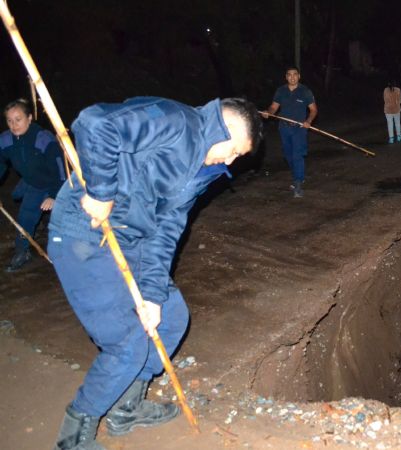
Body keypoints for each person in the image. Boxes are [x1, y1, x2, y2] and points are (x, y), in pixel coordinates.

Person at [48, 96, 262, 450]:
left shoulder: (203, 169)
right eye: (233, 150)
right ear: (221, 128)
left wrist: (151, 294)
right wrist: (101, 193)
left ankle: (125, 408)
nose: (231, 160)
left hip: (131, 242)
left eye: (238, 156)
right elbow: (94, 123)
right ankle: (73, 434)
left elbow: (167, 228)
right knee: (128, 341)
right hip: (84, 232)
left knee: (171, 316)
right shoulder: (173, 121)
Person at [0, 99, 66, 271]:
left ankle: (23, 250)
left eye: (18, 119)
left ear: (29, 118)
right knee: (15, 195)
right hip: (30, 179)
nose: (13, 125)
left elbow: (59, 170)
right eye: (9, 120)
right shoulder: (6, 139)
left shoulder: (43, 139)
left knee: (27, 215)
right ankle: (41, 219)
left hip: (49, 182)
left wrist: (53, 195)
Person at [266, 66, 317, 198]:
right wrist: (269, 113)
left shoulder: (305, 91)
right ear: (286, 77)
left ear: (299, 76)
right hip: (284, 127)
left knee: (297, 155)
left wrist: (309, 121)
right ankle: (297, 177)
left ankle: (298, 184)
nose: (292, 77)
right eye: (289, 74)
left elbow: (313, 110)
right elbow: (273, 107)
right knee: (288, 155)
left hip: (299, 128)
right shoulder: (281, 91)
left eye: (295, 74)